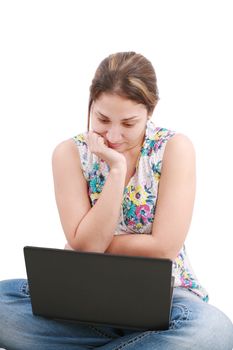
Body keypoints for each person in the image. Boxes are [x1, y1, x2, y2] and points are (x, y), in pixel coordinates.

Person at [0, 51, 232, 350]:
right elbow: (87, 247)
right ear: (91, 104)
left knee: (214, 331)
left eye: (128, 123)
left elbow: (163, 247)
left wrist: (90, 244)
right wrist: (116, 172)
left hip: (167, 297)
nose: (113, 135)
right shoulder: (69, 154)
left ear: (150, 111)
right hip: (86, 294)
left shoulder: (175, 148)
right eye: (103, 119)